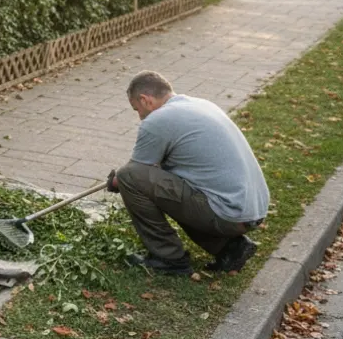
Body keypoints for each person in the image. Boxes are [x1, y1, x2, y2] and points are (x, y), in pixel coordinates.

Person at [109, 71, 269, 276]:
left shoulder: (158, 120)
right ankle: (230, 248)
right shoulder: (200, 104)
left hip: (228, 213)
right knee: (177, 188)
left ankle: (169, 259)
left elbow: (134, 173)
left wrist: (116, 181)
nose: (139, 116)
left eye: (136, 109)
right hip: (250, 209)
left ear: (145, 100)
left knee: (128, 176)